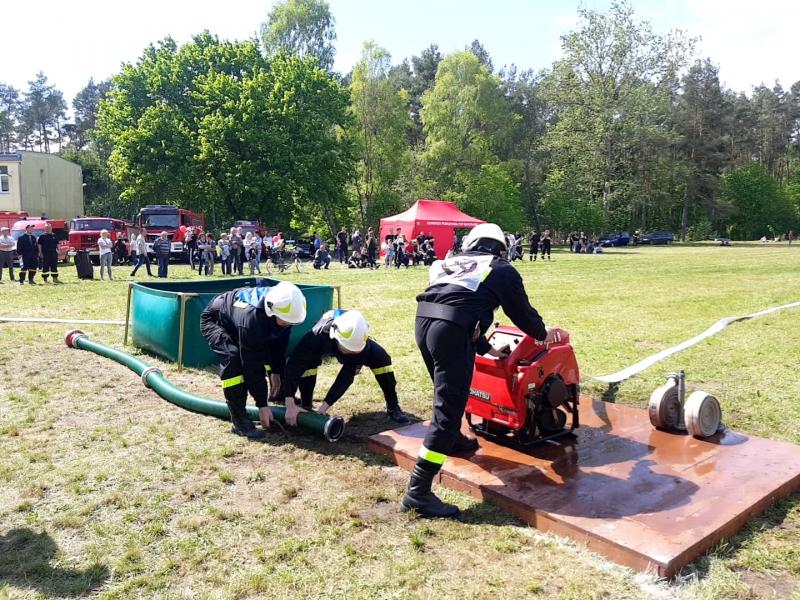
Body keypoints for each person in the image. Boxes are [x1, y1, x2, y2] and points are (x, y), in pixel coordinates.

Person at [404, 223, 564, 518]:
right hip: (450, 331)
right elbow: (522, 314)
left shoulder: (446, 263)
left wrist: (487, 350)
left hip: (424, 324)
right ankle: (418, 491)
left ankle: (450, 440)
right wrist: (543, 333)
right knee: (448, 410)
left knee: (448, 394)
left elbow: (457, 306)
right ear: (500, 247)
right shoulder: (501, 269)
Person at [199, 281, 308, 439]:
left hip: (238, 318)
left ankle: (277, 394)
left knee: (271, 346)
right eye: (285, 322)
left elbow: (279, 347)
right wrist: (262, 405)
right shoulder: (252, 319)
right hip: (215, 320)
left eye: (291, 322)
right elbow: (252, 365)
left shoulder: (286, 303)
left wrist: (276, 374)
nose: (288, 325)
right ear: (271, 312)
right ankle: (239, 420)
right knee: (234, 359)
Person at [283, 309, 409, 423]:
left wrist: (323, 408)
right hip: (325, 342)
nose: (348, 352)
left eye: (352, 351)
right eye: (345, 349)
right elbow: (294, 365)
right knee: (308, 363)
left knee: (382, 359)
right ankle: (306, 405)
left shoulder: (361, 344)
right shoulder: (317, 335)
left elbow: (346, 377)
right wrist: (289, 403)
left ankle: (393, 406)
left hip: (354, 346)